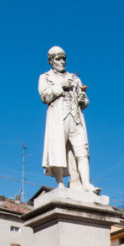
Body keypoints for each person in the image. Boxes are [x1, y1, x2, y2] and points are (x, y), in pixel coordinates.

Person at [39, 46, 98, 193]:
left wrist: (83, 99)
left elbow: (84, 103)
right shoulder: (45, 77)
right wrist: (60, 86)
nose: (62, 61)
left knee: (83, 151)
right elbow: (44, 96)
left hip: (76, 118)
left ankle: (86, 184)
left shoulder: (75, 78)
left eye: (64, 58)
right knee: (58, 150)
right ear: (51, 61)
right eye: (58, 59)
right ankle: (60, 184)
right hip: (58, 117)